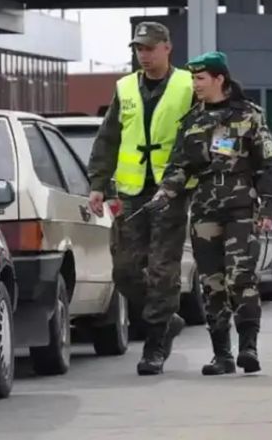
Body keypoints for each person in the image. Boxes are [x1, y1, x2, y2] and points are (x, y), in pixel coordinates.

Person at [149, 51, 272, 375]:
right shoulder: (192, 121)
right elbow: (179, 166)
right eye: (193, 78)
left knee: (241, 277)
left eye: (200, 78)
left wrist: (268, 206)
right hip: (205, 210)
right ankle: (221, 354)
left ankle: (248, 347)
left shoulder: (249, 115)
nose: (194, 84)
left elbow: (269, 164)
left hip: (241, 208)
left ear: (219, 79)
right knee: (212, 283)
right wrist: (165, 192)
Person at [85, 21, 195, 376]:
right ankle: (167, 318)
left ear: (167, 48)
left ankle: (155, 345)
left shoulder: (186, 85)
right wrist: (98, 183)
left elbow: (200, 136)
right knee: (125, 272)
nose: (143, 56)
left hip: (171, 191)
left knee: (163, 270)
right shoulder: (125, 88)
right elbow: (108, 138)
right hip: (131, 193)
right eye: (138, 49)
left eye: (149, 48)